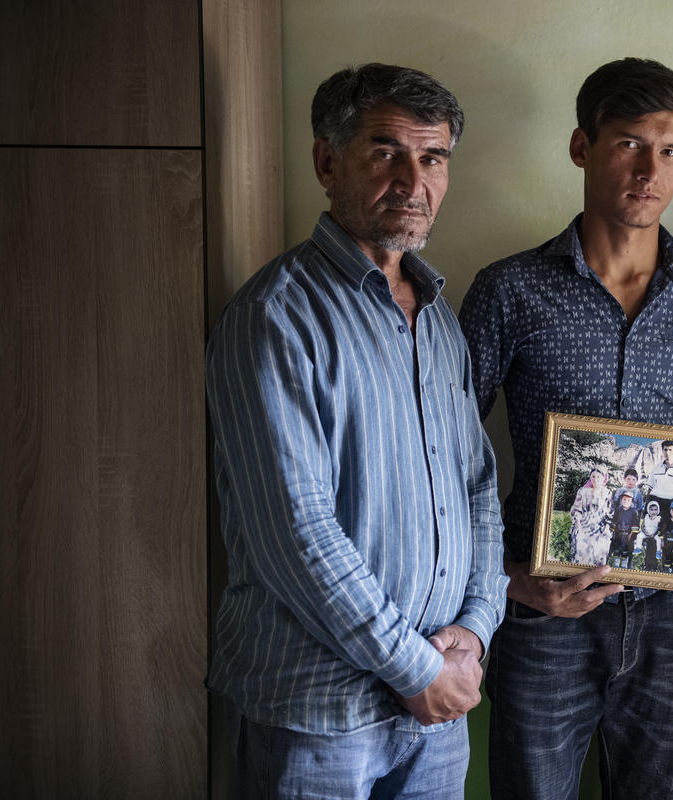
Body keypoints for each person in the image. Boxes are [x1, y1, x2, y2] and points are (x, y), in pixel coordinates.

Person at [459, 57, 673, 800]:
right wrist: (508, 581)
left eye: (671, 150)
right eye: (629, 144)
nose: (649, 171)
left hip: (671, 620)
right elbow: (443, 458)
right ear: (582, 147)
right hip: (543, 612)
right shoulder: (509, 289)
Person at [205, 63, 507, 800]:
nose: (413, 181)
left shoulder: (437, 317)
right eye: (385, 152)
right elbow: (293, 529)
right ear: (326, 162)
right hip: (317, 712)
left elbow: (477, 486)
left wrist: (475, 629)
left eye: (432, 158)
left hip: (438, 707)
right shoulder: (275, 315)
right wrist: (416, 668)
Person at [569, 467, 613, 565]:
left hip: (600, 525)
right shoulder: (583, 491)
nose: (595, 479)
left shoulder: (607, 493)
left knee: (602, 542)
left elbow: (610, 512)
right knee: (579, 540)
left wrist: (607, 527)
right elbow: (576, 509)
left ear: (603, 478)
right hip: (585, 522)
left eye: (598, 477)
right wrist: (577, 523)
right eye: (593, 476)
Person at [644, 439, 673, 514]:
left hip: (671, 503)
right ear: (662, 451)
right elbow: (650, 488)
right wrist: (646, 506)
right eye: (665, 450)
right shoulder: (656, 468)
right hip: (654, 500)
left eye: (670, 450)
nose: (667, 452)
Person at [608, 491, 640, 569]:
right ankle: (616, 564)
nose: (626, 501)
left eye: (628, 500)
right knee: (617, 548)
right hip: (618, 533)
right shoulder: (618, 510)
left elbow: (635, 524)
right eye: (624, 499)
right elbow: (614, 521)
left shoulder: (634, 512)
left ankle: (624, 565)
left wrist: (631, 535)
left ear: (631, 502)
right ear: (621, 500)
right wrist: (613, 531)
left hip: (628, 534)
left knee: (625, 550)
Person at [636, 499, 664, 571]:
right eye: (651, 510)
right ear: (648, 510)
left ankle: (658, 554)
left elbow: (660, 528)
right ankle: (638, 549)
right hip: (647, 534)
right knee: (641, 538)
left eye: (655, 510)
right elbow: (642, 526)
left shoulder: (659, 518)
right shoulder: (646, 517)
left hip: (654, 535)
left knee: (657, 542)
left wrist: (653, 534)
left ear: (658, 510)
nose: (653, 512)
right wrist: (645, 532)